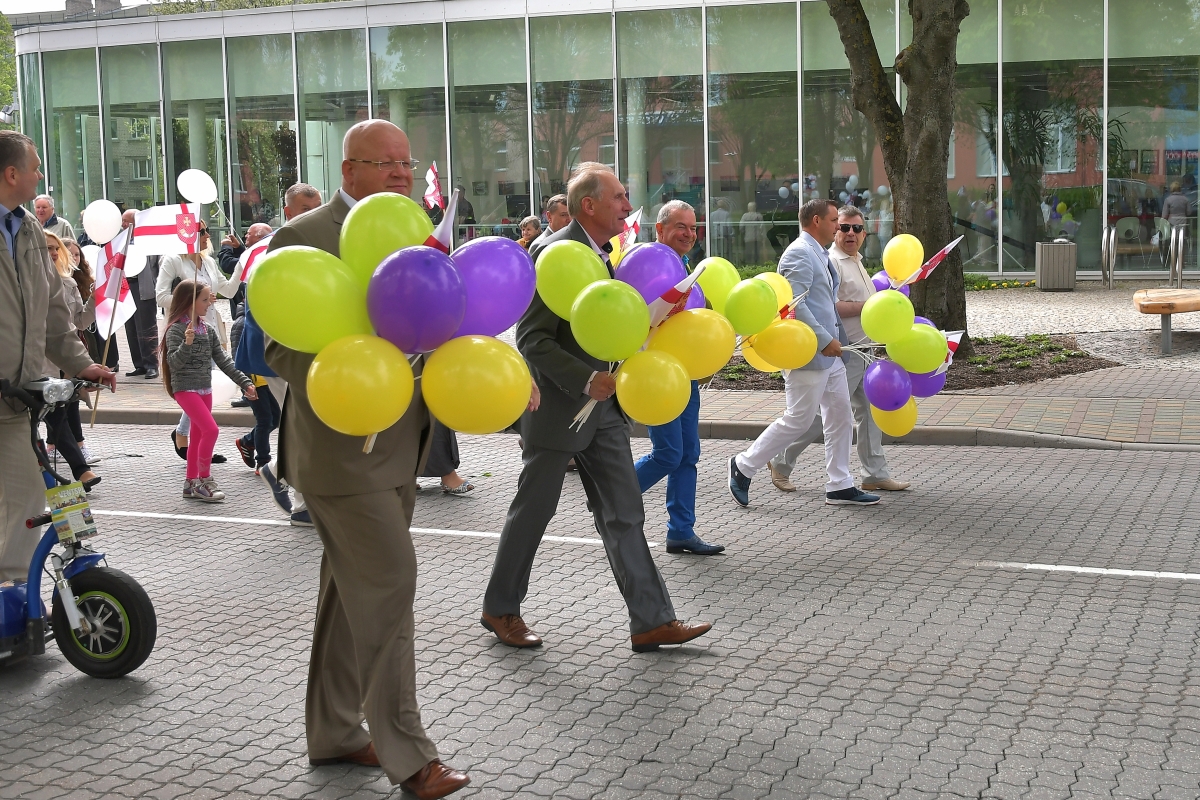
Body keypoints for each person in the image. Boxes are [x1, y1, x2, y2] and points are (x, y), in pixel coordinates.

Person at [263, 119, 470, 799]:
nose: (401, 174)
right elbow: (276, 346)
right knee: (388, 585)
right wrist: (354, 375)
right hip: (340, 452)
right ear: (348, 169)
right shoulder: (302, 236)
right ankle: (410, 756)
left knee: (347, 596)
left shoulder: (416, 234)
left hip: (401, 444)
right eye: (385, 164)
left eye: (406, 163)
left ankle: (334, 732)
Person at [482, 161, 712, 654]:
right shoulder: (555, 253)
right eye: (619, 197)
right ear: (589, 205)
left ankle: (651, 621)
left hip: (603, 412)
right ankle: (500, 608)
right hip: (559, 410)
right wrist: (587, 379)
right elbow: (533, 339)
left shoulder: (603, 254)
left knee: (624, 511)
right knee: (533, 513)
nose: (628, 206)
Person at [0, 130, 116, 583]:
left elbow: (51, 310)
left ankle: (11, 594)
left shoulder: (28, 227)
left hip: (16, 398)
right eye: (35, 167)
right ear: (12, 174)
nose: (40, 175)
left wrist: (81, 362)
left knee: (29, 495)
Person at [728, 198, 882, 509]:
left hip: (829, 354)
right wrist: (824, 340)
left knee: (840, 416)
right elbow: (795, 304)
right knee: (798, 418)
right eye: (834, 221)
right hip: (807, 352)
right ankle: (743, 465)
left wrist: (832, 340)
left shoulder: (819, 253)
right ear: (816, 221)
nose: (838, 227)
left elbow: (824, 303)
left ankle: (839, 485)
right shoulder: (799, 253)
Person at [767, 206, 912, 495]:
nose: (849, 233)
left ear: (864, 234)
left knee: (869, 413)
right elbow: (830, 307)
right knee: (820, 416)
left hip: (866, 350)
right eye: (843, 226)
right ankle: (780, 462)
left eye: (856, 229)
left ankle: (874, 473)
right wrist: (871, 307)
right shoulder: (831, 261)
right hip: (843, 351)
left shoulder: (856, 261)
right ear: (834, 230)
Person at [633, 200, 723, 556]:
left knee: (687, 454)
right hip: (655, 374)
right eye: (680, 226)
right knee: (669, 453)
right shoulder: (648, 263)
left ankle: (681, 531)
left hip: (685, 372)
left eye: (693, 227)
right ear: (660, 229)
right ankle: (611, 494)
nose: (689, 233)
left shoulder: (685, 266)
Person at [252, 183, 322, 527]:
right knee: (304, 425)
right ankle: (297, 498)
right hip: (282, 353)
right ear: (288, 211)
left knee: (309, 424)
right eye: (306, 207)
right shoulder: (280, 246)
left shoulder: (315, 242)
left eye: (317, 206)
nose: (313, 212)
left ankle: (295, 494)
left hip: (308, 349)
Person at [160, 281, 256, 502]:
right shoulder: (176, 330)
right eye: (204, 300)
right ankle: (204, 480)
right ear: (189, 302)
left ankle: (190, 482)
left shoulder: (208, 330)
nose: (209, 304)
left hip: (205, 388)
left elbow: (224, 360)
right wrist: (187, 344)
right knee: (211, 430)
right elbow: (174, 363)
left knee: (197, 436)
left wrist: (244, 382)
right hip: (185, 389)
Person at [156, 223, 239, 465]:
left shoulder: (209, 261)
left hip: (209, 330)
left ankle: (187, 437)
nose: (207, 235)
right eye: (201, 231)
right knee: (196, 389)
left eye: (206, 230)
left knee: (204, 389)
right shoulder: (173, 260)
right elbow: (161, 296)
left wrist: (242, 262)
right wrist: (193, 299)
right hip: (186, 332)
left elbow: (229, 290)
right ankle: (192, 442)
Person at [40, 231, 100, 491]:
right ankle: (78, 470)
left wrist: (95, 299)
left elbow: (79, 323)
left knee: (57, 414)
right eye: (47, 248)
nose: (53, 253)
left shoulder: (68, 284)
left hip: (61, 360)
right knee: (50, 416)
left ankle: (80, 471)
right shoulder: (23, 282)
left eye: (56, 249)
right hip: (31, 360)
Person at [118, 210, 161, 380]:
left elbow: (157, 264)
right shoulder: (121, 240)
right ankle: (139, 364)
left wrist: (157, 285)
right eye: (122, 221)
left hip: (143, 287)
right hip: (126, 287)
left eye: (126, 221)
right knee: (131, 328)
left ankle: (152, 365)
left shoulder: (149, 240)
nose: (123, 225)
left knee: (146, 327)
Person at [219, 221, 272, 320]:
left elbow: (228, 265)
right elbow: (245, 260)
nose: (246, 236)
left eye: (249, 233)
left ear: (259, 237)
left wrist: (226, 247)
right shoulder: (267, 252)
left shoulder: (259, 257)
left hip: (251, 313)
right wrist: (238, 248)